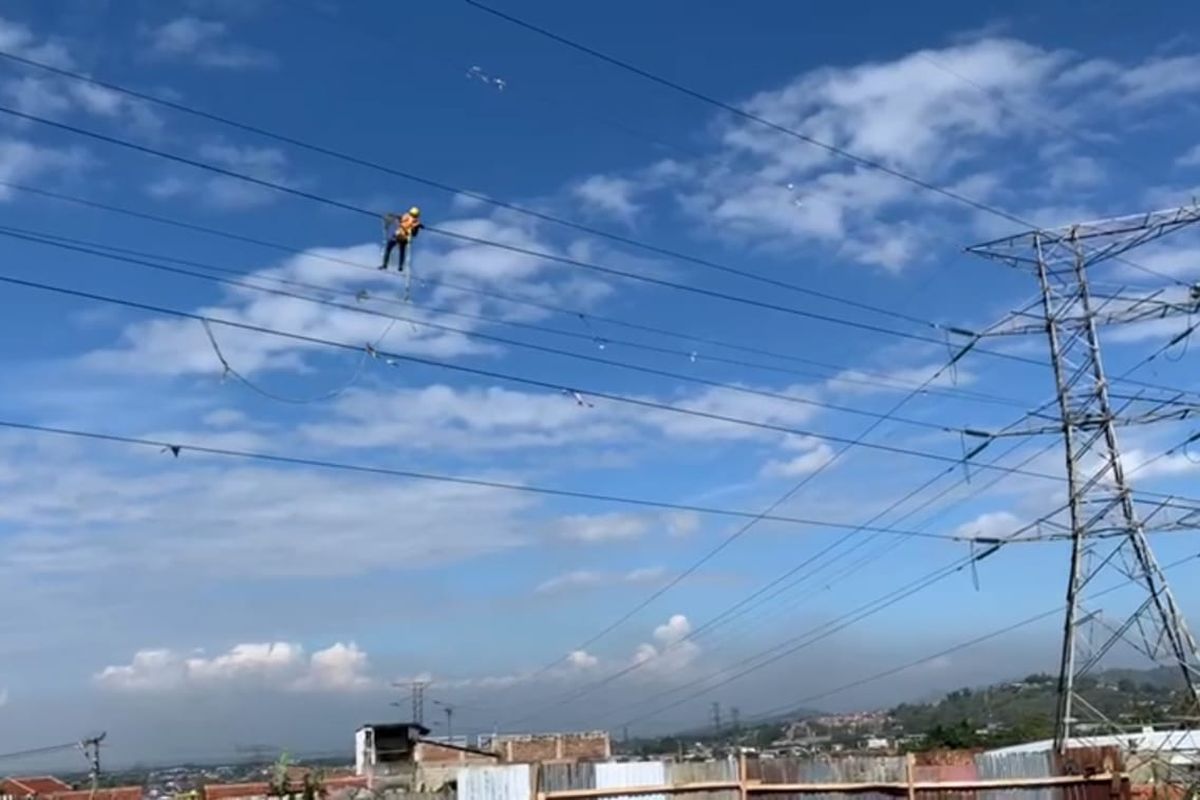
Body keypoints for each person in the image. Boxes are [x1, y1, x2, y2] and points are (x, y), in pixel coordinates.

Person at [379, 206, 422, 271]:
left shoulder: (406, 216)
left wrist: (392, 216)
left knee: (388, 249)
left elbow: (399, 218)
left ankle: (385, 265)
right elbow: (414, 234)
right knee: (402, 252)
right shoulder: (416, 223)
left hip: (398, 235)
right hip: (405, 238)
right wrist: (417, 227)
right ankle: (400, 267)